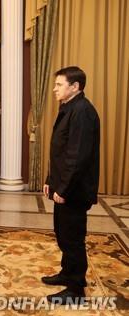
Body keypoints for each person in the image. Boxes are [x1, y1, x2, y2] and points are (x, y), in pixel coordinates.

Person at [42, 66, 100, 303]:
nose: (54, 89)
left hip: (74, 191)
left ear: (74, 87)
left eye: (59, 84)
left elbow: (77, 157)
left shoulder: (82, 112)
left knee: (73, 238)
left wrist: (63, 188)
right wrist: (50, 181)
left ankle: (76, 288)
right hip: (64, 186)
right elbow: (61, 151)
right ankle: (68, 274)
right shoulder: (70, 107)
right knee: (63, 234)